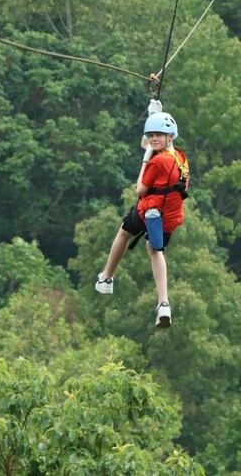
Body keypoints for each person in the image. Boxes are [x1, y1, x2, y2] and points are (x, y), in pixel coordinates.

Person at [94, 100, 189, 328]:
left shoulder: (157, 162)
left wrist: (145, 161)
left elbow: (140, 189)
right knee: (154, 250)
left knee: (125, 232)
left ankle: (106, 277)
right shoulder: (180, 158)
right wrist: (153, 115)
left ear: (169, 137)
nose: (154, 138)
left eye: (159, 134)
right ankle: (163, 304)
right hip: (170, 217)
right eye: (152, 134)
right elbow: (147, 144)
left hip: (150, 210)